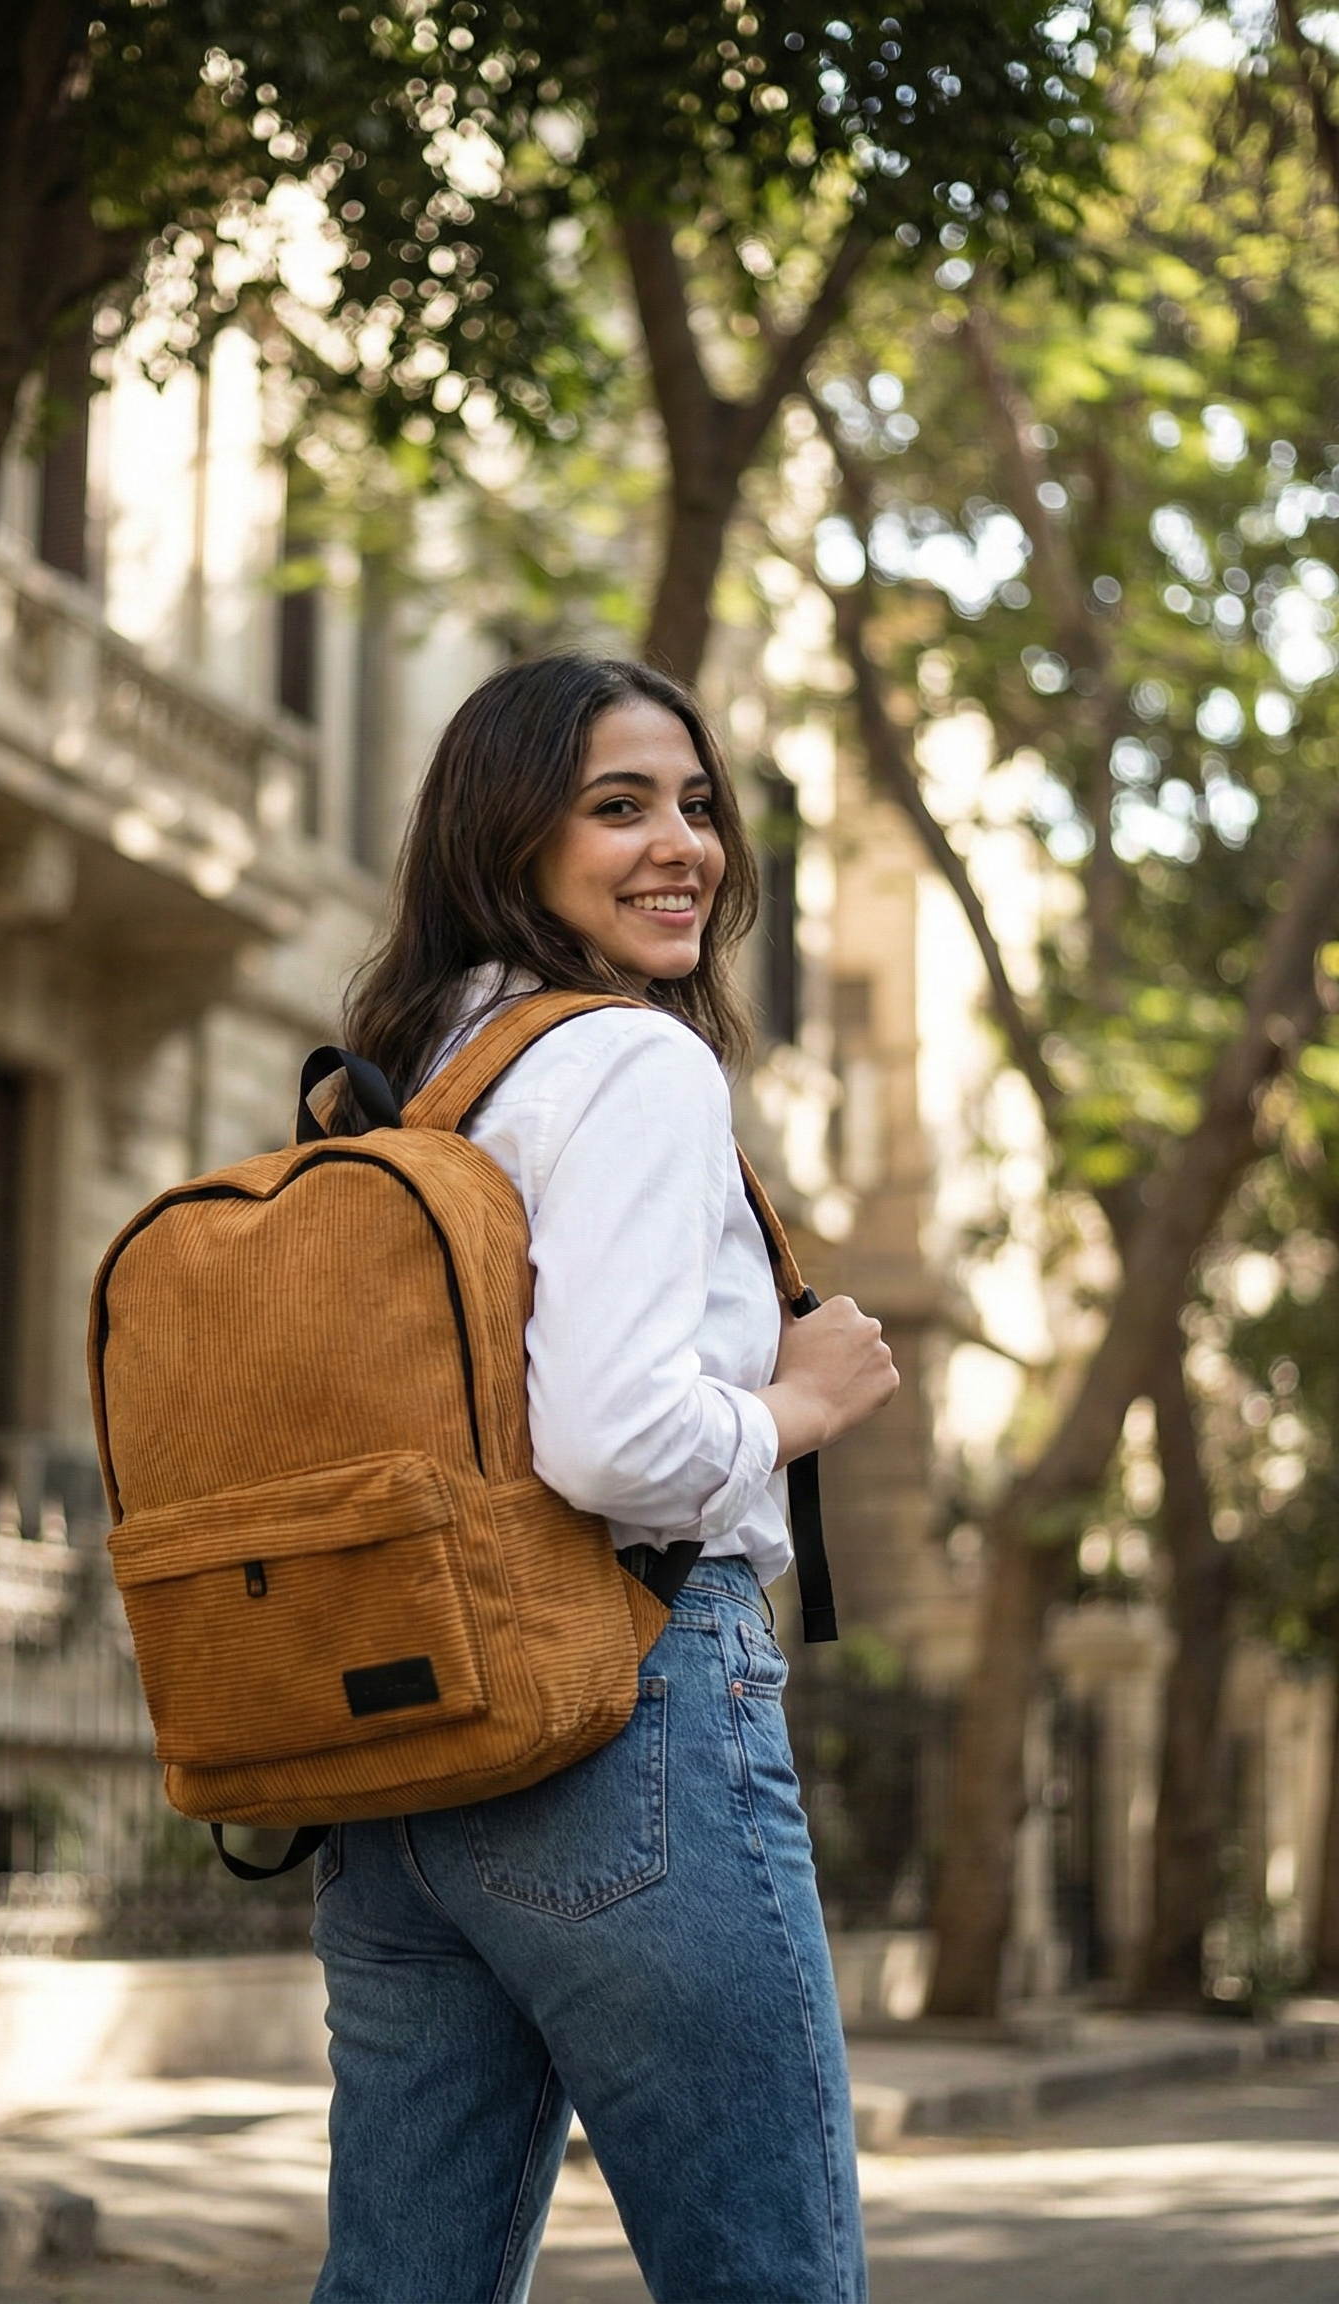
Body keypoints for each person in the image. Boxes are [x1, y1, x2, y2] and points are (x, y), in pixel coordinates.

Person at [310, 654, 899, 2304]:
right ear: (513, 840)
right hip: (623, 1712)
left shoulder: (420, 1074)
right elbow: (615, 1444)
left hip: (407, 1764)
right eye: (618, 807)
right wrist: (800, 1402)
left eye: (697, 806)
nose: (683, 847)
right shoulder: (637, 1064)